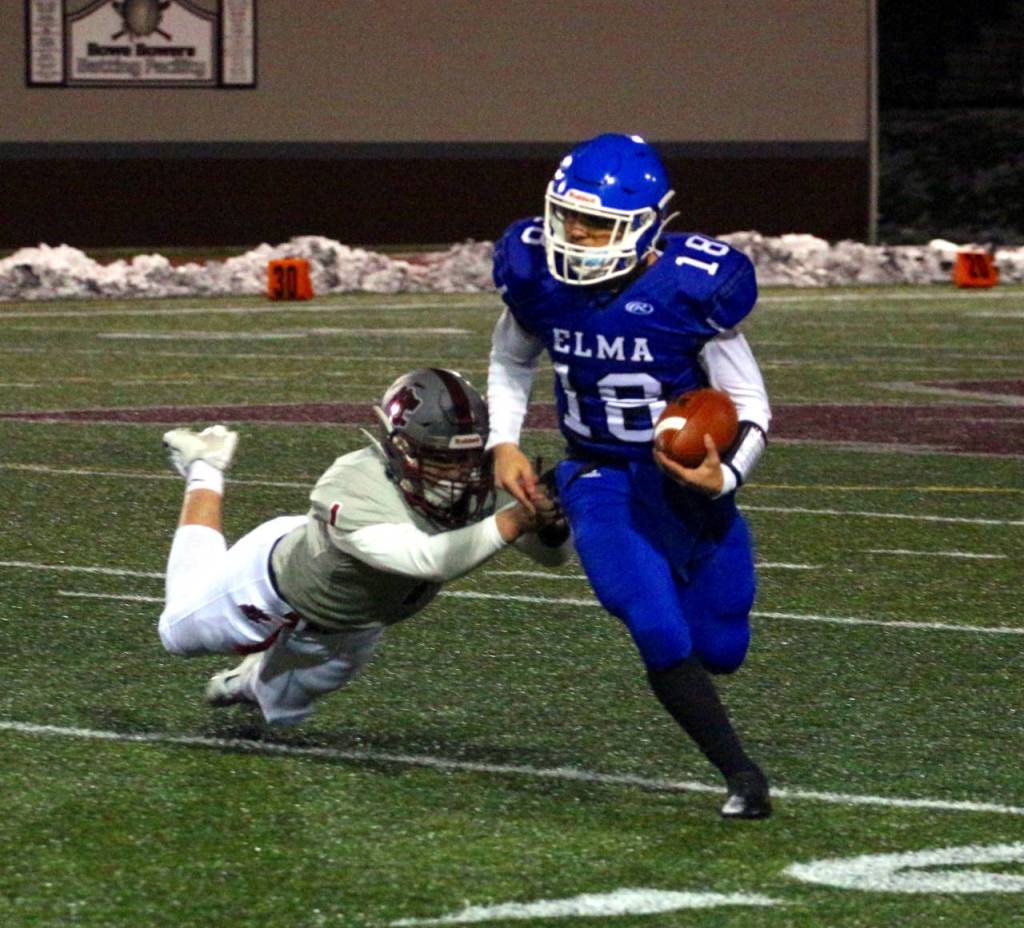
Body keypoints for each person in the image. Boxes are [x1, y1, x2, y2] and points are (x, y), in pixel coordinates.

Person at [486, 133, 773, 819]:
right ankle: (742, 776)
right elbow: (511, 359)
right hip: (600, 475)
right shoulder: (537, 275)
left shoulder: (689, 287)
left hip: (683, 484)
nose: (577, 235)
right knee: (654, 623)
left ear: (646, 226)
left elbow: (751, 402)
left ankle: (717, 713)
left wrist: (725, 478)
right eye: (568, 217)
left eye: (597, 223)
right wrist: (504, 441)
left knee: (721, 649)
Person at [158, 367, 568, 726]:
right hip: (276, 584)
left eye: (469, 457)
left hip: (350, 624)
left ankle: (246, 679)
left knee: (279, 711)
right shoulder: (353, 483)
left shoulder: (485, 474)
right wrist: (513, 520)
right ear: (400, 447)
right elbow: (426, 559)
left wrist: (549, 523)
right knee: (173, 632)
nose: (461, 474)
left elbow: (553, 556)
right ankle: (205, 466)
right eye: (441, 459)